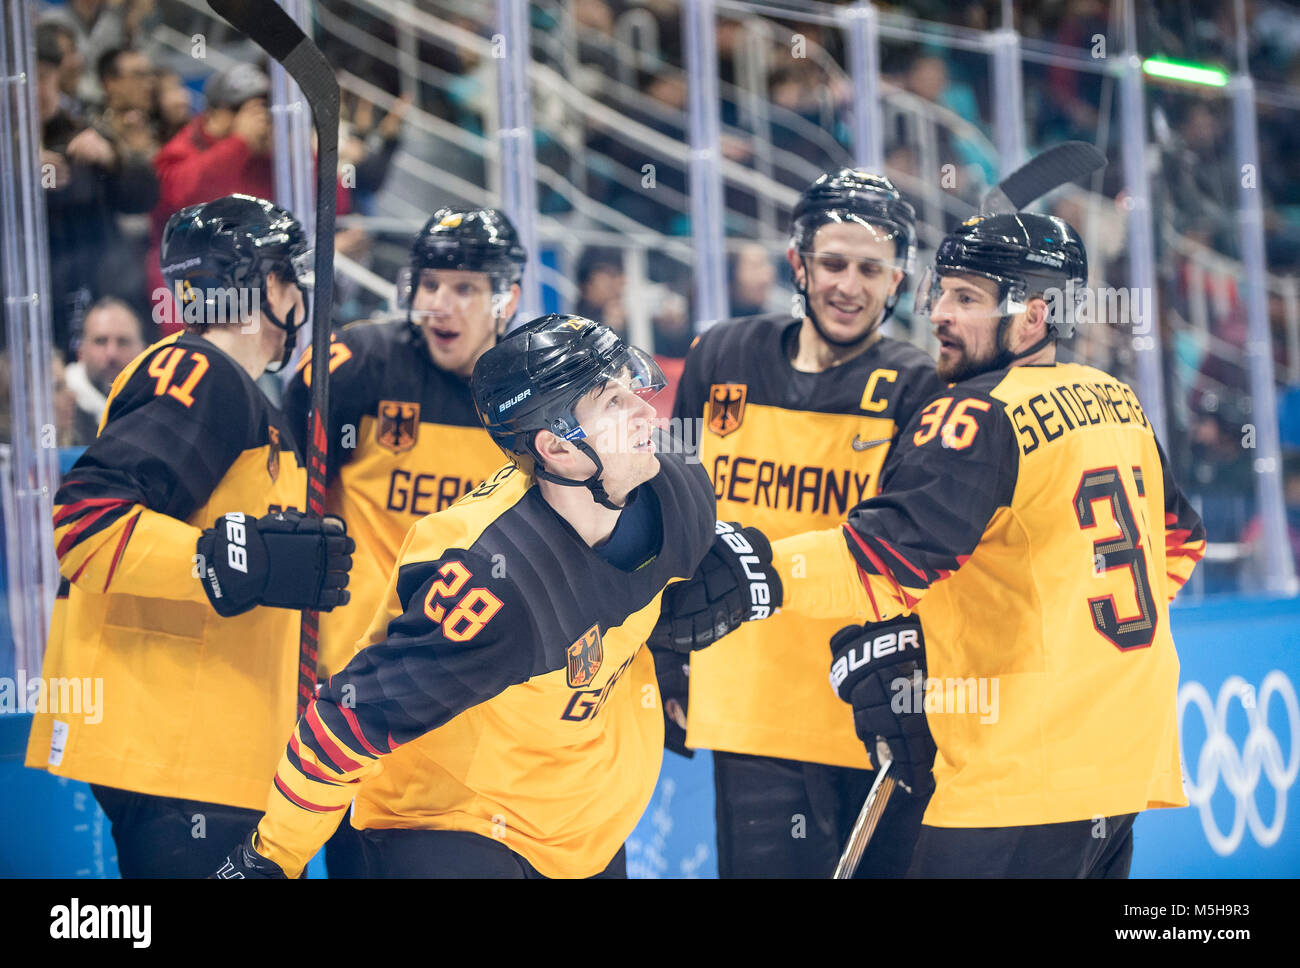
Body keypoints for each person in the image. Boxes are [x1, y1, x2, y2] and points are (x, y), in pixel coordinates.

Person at [655, 212, 1206, 877]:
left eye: (966, 299)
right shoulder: (1117, 400)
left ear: (1034, 317)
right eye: (941, 291)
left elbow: (880, 561)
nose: (939, 313)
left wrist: (757, 571)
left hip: (1016, 778)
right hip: (1120, 766)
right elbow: (1177, 545)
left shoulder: (973, 413)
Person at [213, 314, 720, 879]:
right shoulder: (492, 584)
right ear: (555, 448)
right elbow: (345, 721)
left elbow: (686, 588)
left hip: (580, 831)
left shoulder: (677, 484)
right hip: (450, 822)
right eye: (612, 404)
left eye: (632, 386)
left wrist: (681, 654)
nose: (649, 413)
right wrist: (270, 858)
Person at [25, 194, 354, 878]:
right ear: (265, 286)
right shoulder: (203, 375)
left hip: (209, 750)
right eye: (292, 279)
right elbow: (87, 521)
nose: (300, 300)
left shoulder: (238, 391)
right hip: (177, 748)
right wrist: (229, 563)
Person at [662, 169, 943, 878]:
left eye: (870, 268)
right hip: (749, 708)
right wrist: (663, 648)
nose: (848, 285)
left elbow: (928, 547)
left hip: (875, 709)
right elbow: (668, 501)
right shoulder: (720, 355)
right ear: (799, 264)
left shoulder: (920, 386)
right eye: (833, 263)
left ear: (897, 281)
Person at [282, 207, 527, 876]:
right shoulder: (358, 364)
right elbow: (281, 474)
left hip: (480, 709)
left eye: (465, 288)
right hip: (358, 698)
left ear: (507, 298)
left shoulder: (533, 395)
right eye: (430, 285)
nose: (440, 305)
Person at [65, 297, 147, 443]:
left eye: (123, 342)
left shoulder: (163, 405)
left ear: (144, 351)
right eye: (101, 341)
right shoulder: (60, 408)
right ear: (80, 352)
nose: (112, 353)